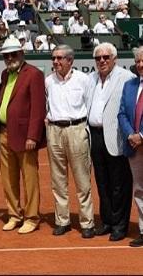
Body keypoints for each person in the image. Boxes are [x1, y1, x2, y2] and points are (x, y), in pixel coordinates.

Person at [45, 45, 95, 239]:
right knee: (58, 180)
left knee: (82, 179)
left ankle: (87, 222)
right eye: (54, 58)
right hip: (54, 130)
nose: (56, 62)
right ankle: (62, 221)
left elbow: (90, 105)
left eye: (60, 58)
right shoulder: (48, 81)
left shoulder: (84, 80)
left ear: (70, 61)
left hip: (77, 129)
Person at [0, 36, 46, 234]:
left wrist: (33, 136)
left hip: (25, 136)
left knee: (29, 177)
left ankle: (32, 217)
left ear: (21, 53)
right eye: (6, 55)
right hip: (3, 133)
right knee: (8, 178)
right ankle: (14, 214)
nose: (10, 58)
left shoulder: (33, 74)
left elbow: (38, 108)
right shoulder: (4, 74)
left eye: (13, 54)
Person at [87, 42, 134, 241]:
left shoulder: (127, 78)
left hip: (116, 137)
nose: (102, 61)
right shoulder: (91, 79)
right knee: (102, 182)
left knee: (119, 184)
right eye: (98, 58)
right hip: (95, 136)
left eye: (106, 57)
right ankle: (106, 221)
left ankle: (120, 225)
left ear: (114, 58)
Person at [119, 46, 143, 247]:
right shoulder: (130, 85)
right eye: (137, 62)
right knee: (139, 190)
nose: (140, 65)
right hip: (134, 146)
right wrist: (131, 135)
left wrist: (142, 135)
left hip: (140, 140)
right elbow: (122, 114)